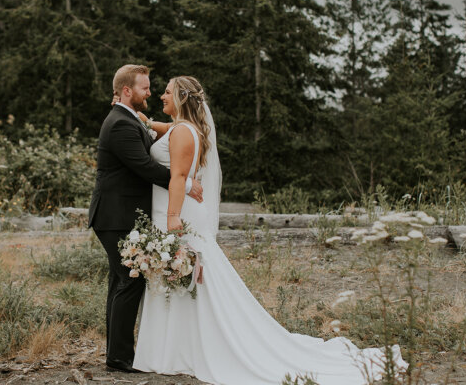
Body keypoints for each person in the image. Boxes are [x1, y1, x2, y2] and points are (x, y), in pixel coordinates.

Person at [131, 75, 407, 385]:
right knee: (183, 278)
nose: (161, 96)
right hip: (178, 210)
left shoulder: (183, 132)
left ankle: (180, 350)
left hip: (177, 213)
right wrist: (148, 122)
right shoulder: (185, 129)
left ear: (181, 98)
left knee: (187, 277)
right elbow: (170, 131)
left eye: (167, 92)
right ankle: (175, 350)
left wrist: (171, 218)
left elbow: (179, 177)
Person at [88, 64, 203, 374]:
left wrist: (147, 121)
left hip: (118, 213)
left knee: (120, 280)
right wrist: (186, 183)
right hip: (115, 215)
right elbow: (145, 167)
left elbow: (155, 133)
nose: (150, 92)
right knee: (129, 279)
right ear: (127, 91)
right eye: (144, 88)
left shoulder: (127, 118)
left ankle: (117, 353)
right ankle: (120, 357)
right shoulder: (121, 123)